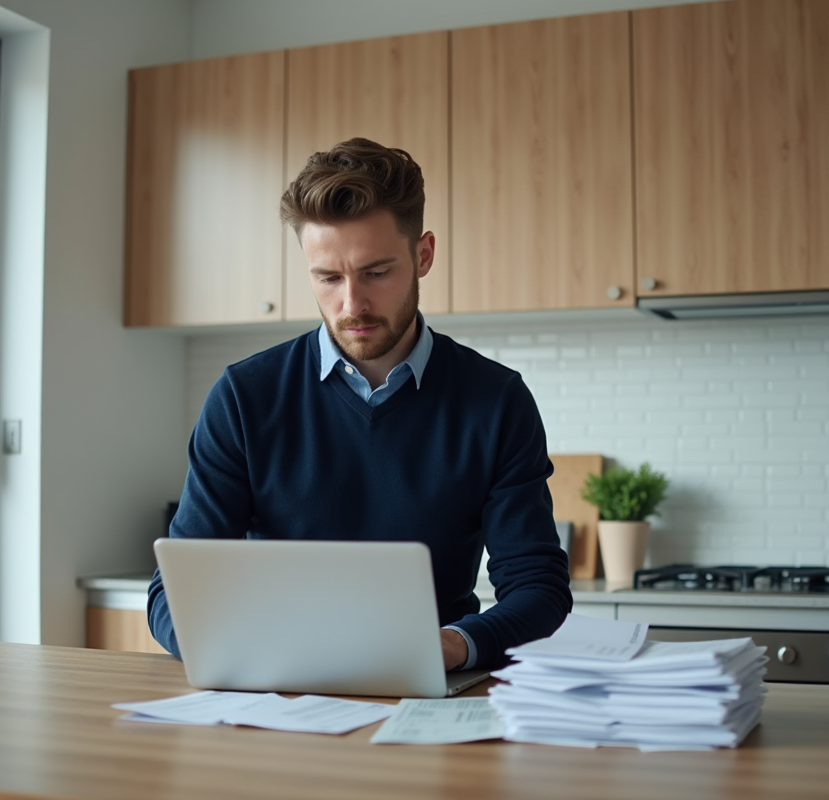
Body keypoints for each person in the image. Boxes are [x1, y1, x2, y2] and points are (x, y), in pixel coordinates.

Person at [147, 137, 571, 670]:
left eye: (376, 272)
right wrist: (261, 646)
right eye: (328, 278)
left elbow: (538, 588)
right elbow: (172, 595)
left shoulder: (496, 401)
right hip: (278, 690)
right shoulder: (242, 397)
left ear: (423, 255)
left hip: (433, 690)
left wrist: (455, 644)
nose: (352, 304)